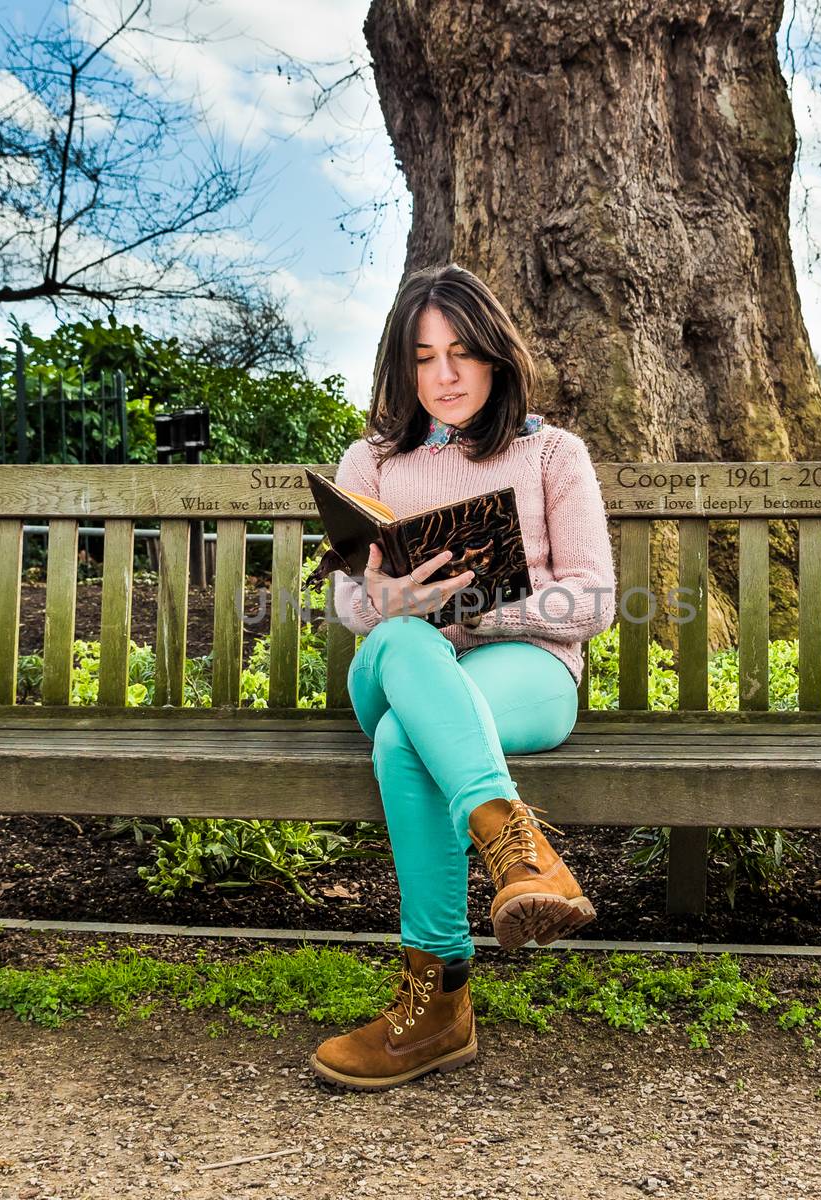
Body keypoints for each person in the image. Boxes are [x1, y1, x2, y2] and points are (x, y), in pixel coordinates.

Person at [308, 263, 617, 1091]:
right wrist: (391, 601)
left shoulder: (552, 453)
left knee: (411, 739)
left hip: (526, 672)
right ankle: (520, 854)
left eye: (462, 353)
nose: (443, 376)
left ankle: (438, 1001)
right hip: (396, 663)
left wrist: (477, 611)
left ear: (496, 356)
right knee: (409, 647)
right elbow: (346, 597)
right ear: (399, 367)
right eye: (422, 357)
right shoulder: (372, 460)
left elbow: (594, 597)